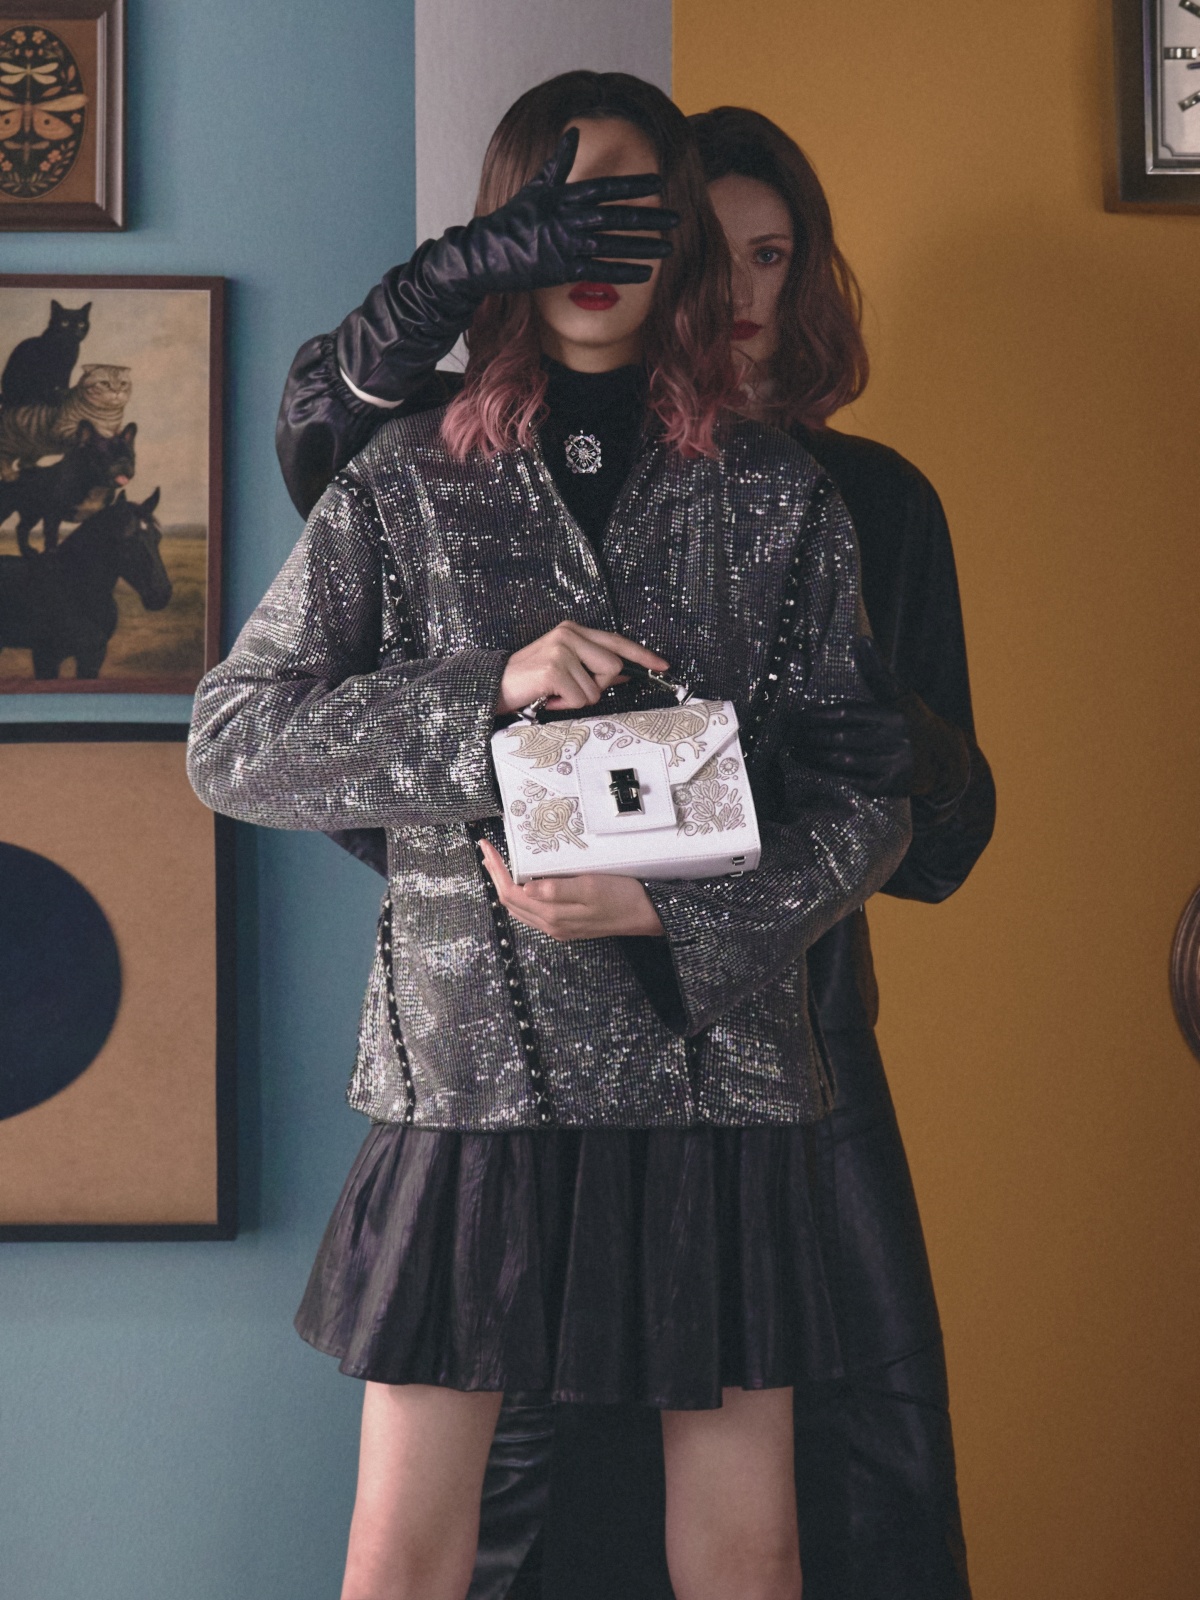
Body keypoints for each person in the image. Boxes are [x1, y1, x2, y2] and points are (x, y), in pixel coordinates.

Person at [190, 71, 910, 1600]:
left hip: (718, 1083)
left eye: (633, 210)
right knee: (401, 1556)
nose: (598, 249)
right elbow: (235, 742)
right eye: (564, 209)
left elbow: (869, 806)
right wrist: (487, 691)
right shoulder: (407, 480)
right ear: (511, 232)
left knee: (753, 1556)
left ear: (684, 235)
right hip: (474, 1078)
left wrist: (673, 915)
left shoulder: (779, 496)